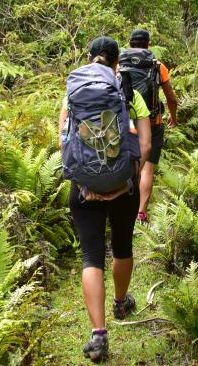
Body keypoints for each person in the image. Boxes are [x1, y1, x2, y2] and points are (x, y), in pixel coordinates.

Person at [58, 36, 151, 362]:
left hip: (83, 187)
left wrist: (87, 176)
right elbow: (146, 147)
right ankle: (120, 303)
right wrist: (126, 173)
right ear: (116, 63)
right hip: (123, 185)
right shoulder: (130, 93)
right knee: (123, 247)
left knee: (91, 257)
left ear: (89, 59)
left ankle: (98, 335)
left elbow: (64, 143)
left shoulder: (72, 95)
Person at [125, 29, 178, 223]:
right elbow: (171, 98)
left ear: (130, 44)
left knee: (127, 164)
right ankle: (141, 213)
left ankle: (124, 208)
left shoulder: (119, 65)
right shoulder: (157, 66)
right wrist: (173, 116)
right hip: (153, 122)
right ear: (149, 45)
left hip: (127, 122)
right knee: (147, 169)